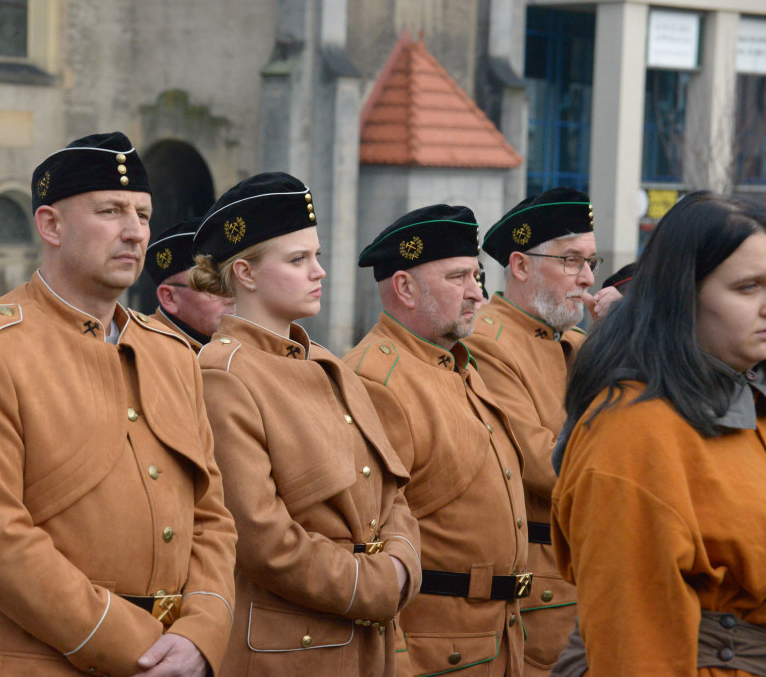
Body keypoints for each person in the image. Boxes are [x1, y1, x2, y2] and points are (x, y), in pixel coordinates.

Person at [0, 133, 237, 676]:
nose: (135, 231)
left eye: (143, 213)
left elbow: (211, 517)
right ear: (50, 225)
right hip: (29, 659)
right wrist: (144, 649)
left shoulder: (172, 355)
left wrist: (201, 632)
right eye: (110, 211)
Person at [189, 172, 421, 676]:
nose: (319, 271)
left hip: (370, 644)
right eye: (298, 260)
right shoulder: (222, 375)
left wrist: (402, 563)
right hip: (292, 653)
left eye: (315, 255)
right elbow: (262, 541)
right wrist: (376, 586)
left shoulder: (325, 362)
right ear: (246, 274)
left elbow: (392, 493)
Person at [551, 192, 766, 675]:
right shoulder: (633, 432)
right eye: (748, 287)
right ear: (683, 294)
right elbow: (634, 642)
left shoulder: (750, 402)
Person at [345, 204, 530, 676]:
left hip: (497, 640)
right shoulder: (378, 381)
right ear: (404, 287)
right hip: (435, 651)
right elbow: (370, 544)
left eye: (476, 276)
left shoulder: (453, 362)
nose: (478, 295)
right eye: (458, 278)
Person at [464, 187, 599, 675]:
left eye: (590, 261)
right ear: (520, 267)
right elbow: (540, 464)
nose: (587, 277)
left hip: (588, 576)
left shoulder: (580, 341)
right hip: (542, 588)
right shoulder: (487, 340)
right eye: (571, 261)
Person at [144, 218, 235, 353]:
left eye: (234, 284)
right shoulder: (146, 351)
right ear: (170, 298)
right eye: (212, 286)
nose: (231, 298)